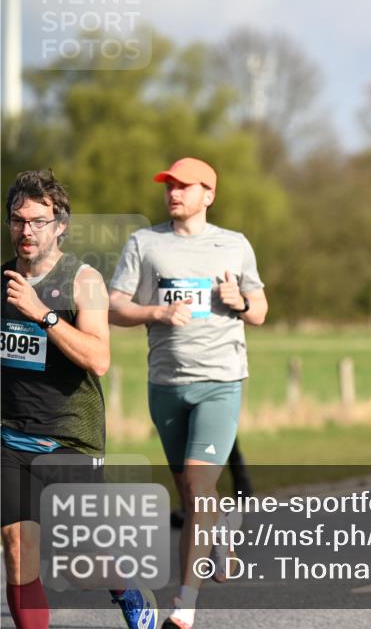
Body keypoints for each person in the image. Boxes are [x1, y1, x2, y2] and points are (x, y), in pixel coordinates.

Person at [108, 158, 268, 628]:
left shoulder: (234, 244)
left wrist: (240, 301)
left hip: (220, 382)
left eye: (184, 186)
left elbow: (260, 308)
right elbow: (115, 305)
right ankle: (219, 534)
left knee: (198, 488)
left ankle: (184, 603)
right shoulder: (145, 243)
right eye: (169, 186)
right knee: (190, 489)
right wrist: (156, 313)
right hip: (166, 385)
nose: (173, 193)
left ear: (208, 194)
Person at [1, 170, 157, 629]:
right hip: (11, 438)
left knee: (82, 563)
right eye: (18, 220)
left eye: (39, 221)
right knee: (17, 550)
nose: (27, 230)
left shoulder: (82, 280)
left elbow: (99, 359)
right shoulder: (3, 280)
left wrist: (42, 314)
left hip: (70, 438)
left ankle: (128, 590)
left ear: (61, 226)